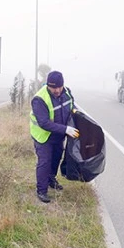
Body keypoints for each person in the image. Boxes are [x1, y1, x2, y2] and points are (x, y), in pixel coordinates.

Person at [29, 71, 79, 203]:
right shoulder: (39, 99)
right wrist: (66, 129)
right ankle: (41, 190)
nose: (56, 90)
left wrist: (75, 112)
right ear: (47, 85)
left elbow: (71, 106)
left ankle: (51, 179)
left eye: (59, 87)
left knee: (56, 157)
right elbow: (44, 123)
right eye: (53, 87)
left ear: (63, 85)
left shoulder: (67, 92)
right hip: (43, 136)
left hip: (58, 134)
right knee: (45, 162)